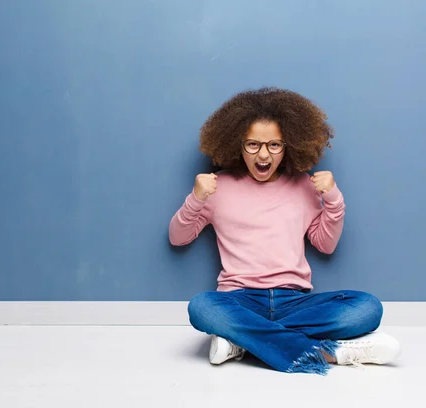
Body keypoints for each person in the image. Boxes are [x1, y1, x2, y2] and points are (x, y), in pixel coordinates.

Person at [169, 87, 401, 375]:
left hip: (296, 301)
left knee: (367, 307)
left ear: (288, 145)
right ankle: (332, 353)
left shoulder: (304, 186)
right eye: (252, 144)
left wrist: (333, 199)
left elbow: (325, 245)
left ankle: (242, 342)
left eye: (274, 145)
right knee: (202, 307)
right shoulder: (217, 186)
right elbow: (178, 238)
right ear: (237, 144)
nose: (263, 154)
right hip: (239, 298)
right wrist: (196, 198)